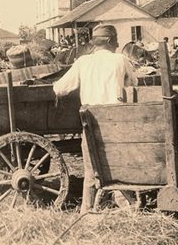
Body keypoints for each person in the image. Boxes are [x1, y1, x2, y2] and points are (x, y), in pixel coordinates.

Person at [52, 24, 137, 212]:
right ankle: (127, 205)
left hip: (91, 123)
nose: (117, 43)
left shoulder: (83, 62)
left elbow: (59, 89)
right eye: (115, 40)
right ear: (109, 41)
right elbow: (133, 85)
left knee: (91, 170)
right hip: (116, 123)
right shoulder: (120, 60)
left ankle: (87, 210)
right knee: (119, 165)